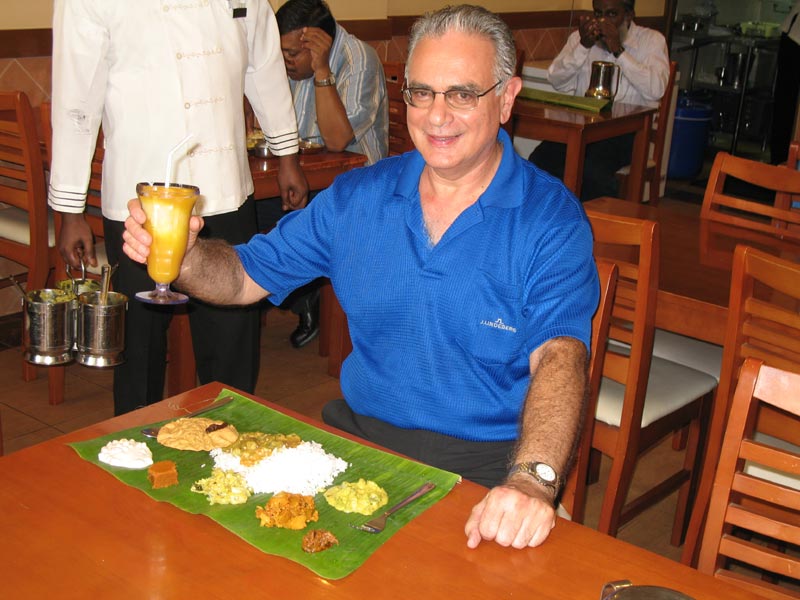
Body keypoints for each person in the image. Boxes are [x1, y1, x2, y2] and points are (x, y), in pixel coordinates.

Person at [124, 4, 599, 549]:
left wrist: (532, 481)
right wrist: (184, 257)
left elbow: (561, 358)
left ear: (507, 98)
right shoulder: (357, 199)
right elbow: (240, 278)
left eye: (462, 94)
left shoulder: (549, 219)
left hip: (485, 469)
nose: (437, 116)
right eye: (421, 92)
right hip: (355, 448)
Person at [48, 0, 309, 415]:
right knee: (139, 344)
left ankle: (230, 439)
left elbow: (264, 68)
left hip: (224, 188)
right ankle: (134, 443)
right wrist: (70, 209)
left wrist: (287, 154)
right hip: (139, 204)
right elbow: (76, 103)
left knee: (233, 338)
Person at [256, 0, 389, 348]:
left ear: (315, 44)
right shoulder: (288, 67)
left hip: (357, 185)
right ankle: (300, 297)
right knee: (249, 213)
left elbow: (337, 139)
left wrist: (321, 71)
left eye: (290, 54)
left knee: (290, 215)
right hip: (309, 175)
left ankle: (307, 295)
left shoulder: (360, 60)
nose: (284, 62)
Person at [528, 0, 669, 201]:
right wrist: (582, 47)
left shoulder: (652, 41)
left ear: (628, 15)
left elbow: (656, 90)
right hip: (582, 128)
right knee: (540, 160)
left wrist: (618, 51)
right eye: (598, 13)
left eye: (611, 14)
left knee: (593, 170)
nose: (602, 22)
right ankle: (551, 221)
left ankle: (600, 224)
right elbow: (556, 80)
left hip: (626, 133)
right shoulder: (580, 38)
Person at [770, 0, 800, 165]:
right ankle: (780, 162)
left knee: (786, 103)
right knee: (786, 104)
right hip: (794, 40)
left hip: (793, 38)